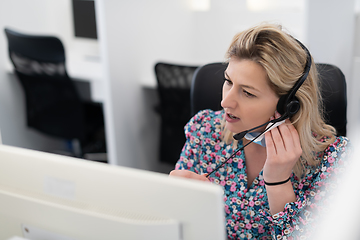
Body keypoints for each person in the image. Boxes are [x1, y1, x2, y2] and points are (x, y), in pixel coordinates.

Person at [169, 23, 350, 240]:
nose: (225, 101)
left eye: (247, 93)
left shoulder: (334, 160)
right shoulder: (205, 130)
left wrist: (278, 182)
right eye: (228, 81)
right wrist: (177, 203)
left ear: (289, 105)